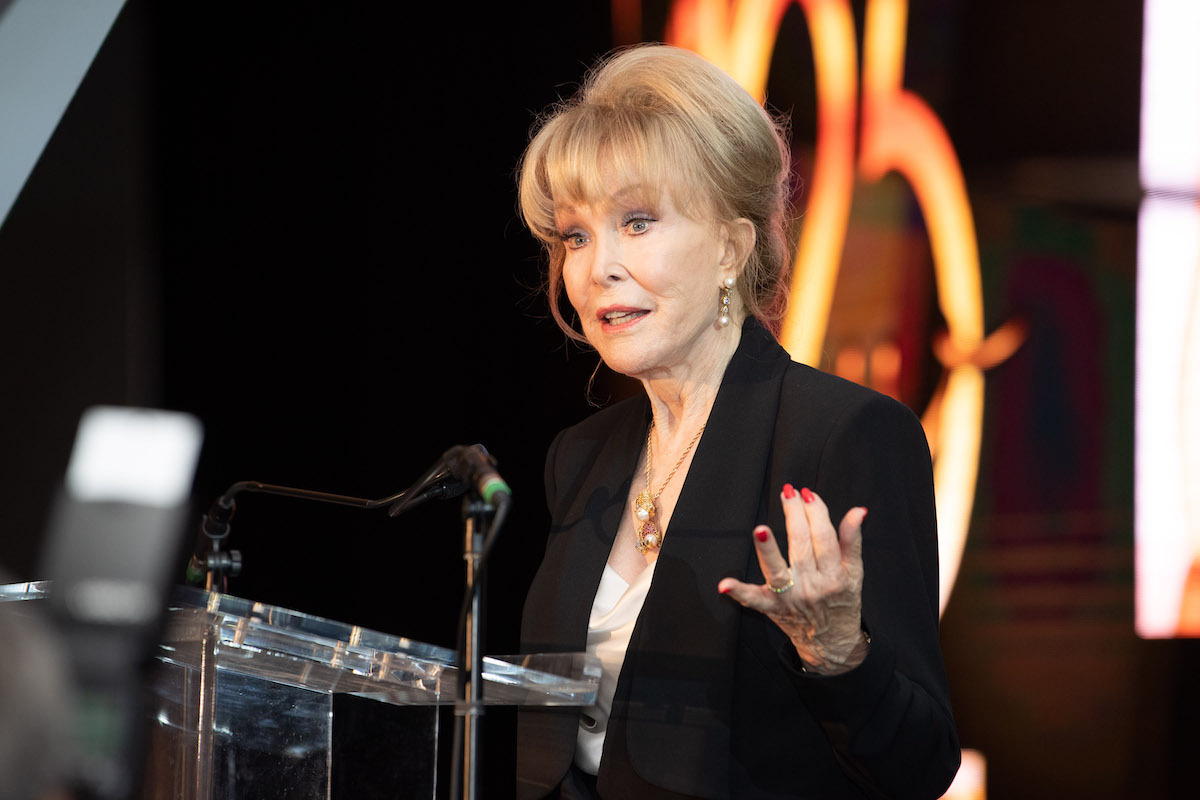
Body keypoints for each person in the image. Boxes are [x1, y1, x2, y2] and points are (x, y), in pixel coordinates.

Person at [515, 44, 959, 799]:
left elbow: (921, 764)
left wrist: (838, 655)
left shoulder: (845, 435)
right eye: (575, 236)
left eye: (637, 222)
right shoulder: (581, 458)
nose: (595, 269)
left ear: (731, 246)